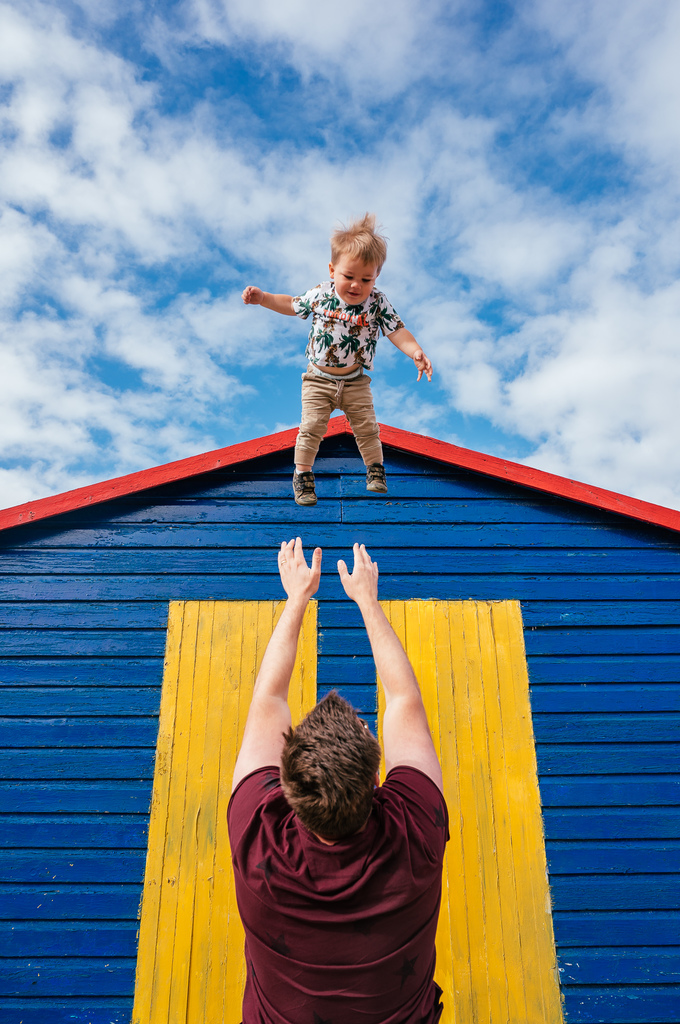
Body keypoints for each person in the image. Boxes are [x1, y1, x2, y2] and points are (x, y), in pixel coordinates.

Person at [228, 538, 448, 1024]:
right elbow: (404, 701)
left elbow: (268, 700)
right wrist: (368, 602)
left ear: (285, 783)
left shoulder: (257, 834)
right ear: (377, 776)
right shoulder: (414, 833)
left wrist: (297, 598)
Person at [242, 214, 433, 506]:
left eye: (366, 279)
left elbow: (397, 330)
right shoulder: (321, 295)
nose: (356, 285)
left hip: (355, 380)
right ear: (333, 271)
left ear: (376, 278)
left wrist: (415, 351)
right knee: (311, 428)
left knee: (367, 426)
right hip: (318, 380)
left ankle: (375, 470)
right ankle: (303, 476)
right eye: (349, 276)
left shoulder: (377, 303)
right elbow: (291, 304)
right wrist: (263, 297)